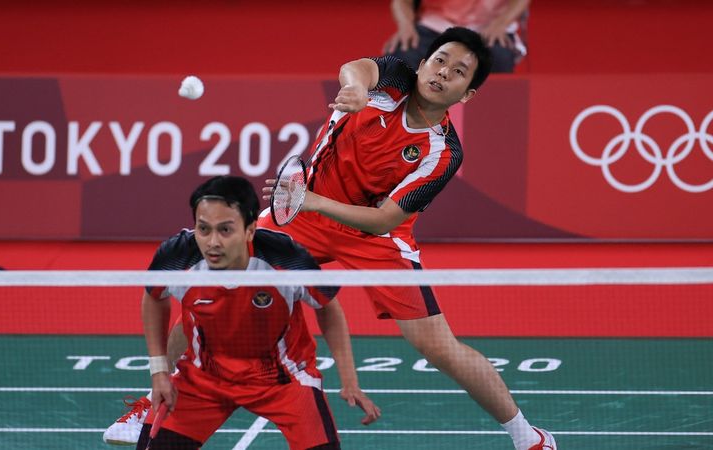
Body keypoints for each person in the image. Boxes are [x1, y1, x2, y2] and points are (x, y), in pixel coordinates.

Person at [259, 27, 555, 450]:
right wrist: (355, 89)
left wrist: (312, 203)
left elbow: (382, 221)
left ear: (467, 94)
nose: (442, 73)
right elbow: (355, 69)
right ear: (421, 64)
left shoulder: (444, 153)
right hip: (303, 209)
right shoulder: (393, 78)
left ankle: (530, 438)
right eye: (439, 60)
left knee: (439, 348)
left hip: (371, 236)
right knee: (212, 279)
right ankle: (156, 404)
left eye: (458, 72)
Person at [108, 175, 379, 449]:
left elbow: (328, 307)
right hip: (205, 377)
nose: (212, 242)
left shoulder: (284, 257)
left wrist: (349, 380)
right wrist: (159, 373)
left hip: (282, 379)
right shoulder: (178, 256)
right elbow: (153, 298)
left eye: (225, 230)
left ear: (250, 230)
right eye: (203, 229)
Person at [383, 0, 530, 73]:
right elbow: (403, 1)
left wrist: (501, 23)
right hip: (434, 25)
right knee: (402, 55)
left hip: (487, 27)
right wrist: (406, 26)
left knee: (499, 57)